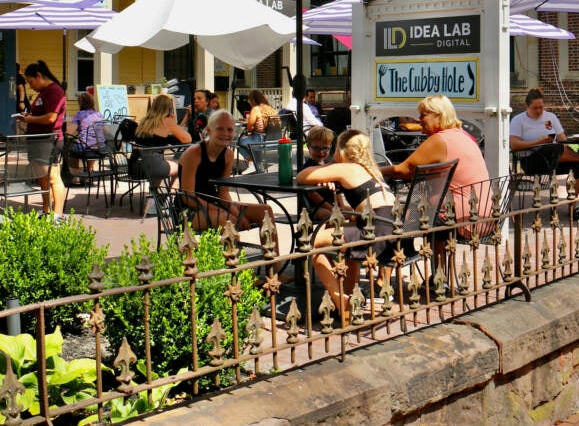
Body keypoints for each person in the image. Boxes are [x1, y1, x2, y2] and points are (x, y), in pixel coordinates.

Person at [297, 129, 397, 324]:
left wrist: (327, 174)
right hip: (393, 232)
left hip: (375, 232)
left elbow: (302, 176)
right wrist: (330, 177)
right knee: (348, 242)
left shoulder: (347, 167)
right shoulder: (371, 169)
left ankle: (341, 302)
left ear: (342, 151)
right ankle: (352, 298)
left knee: (311, 244)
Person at [383, 94, 491, 233]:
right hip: (484, 215)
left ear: (439, 116)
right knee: (418, 209)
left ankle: (410, 252)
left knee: (397, 220)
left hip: (461, 219)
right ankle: (432, 254)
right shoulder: (462, 135)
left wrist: (373, 171)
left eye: (424, 115)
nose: (419, 119)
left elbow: (403, 170)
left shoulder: (439, 140)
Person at [178, 110, 273, 231]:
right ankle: (235, 250)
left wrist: (237, 215)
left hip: (216, 204)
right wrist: (221, 211)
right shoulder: (194, 154)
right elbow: (187, 196)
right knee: (225, 220)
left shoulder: (228, 155)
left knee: (265, 211)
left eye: (229, 130)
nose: (225, 133)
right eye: (220, 129)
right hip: (187, 210)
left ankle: (271, 250)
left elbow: (223, 193)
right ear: (209, 130)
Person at [509, 89, 579, 195]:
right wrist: (539, 142)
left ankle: (571, 206)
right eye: (535, 108)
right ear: (527, 106)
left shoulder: (550, 117)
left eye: (541, 107)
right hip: (531, 161)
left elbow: (562, 140)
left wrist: (562, 146)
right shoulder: (518, 120)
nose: (538, 111)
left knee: (576, 165)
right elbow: (514, 145)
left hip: (553, 160)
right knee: (551, 147)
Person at [17, 61, 67, 217]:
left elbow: (51, 117)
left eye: (31, 82)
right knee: (43, 179)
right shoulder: (44, 92)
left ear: (38, 76)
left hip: (49, 140)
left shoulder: (54, 91)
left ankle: (57, 215)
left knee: (53, 178)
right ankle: (46, 210)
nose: (30, 86)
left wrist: (29, 120)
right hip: (39, 141)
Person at [133, 93, 191, 184]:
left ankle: (154, 197)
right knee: (182, 165)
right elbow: (187, 139)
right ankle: (170, 196)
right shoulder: (167, 121)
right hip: (153, 167)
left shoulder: (143, 121)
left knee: (161, 162)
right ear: (169, 108)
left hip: (135, 166)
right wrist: (174, 120)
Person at [69, 92, 108, 182]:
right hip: (99, 149)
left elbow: (70, 131)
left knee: (71, 148)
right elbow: (106, 131)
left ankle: (75, 175)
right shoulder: (99, 115)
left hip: (85, 148)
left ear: (80, 103)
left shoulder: (79, 114)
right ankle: (88, 173)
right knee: (92, 142)